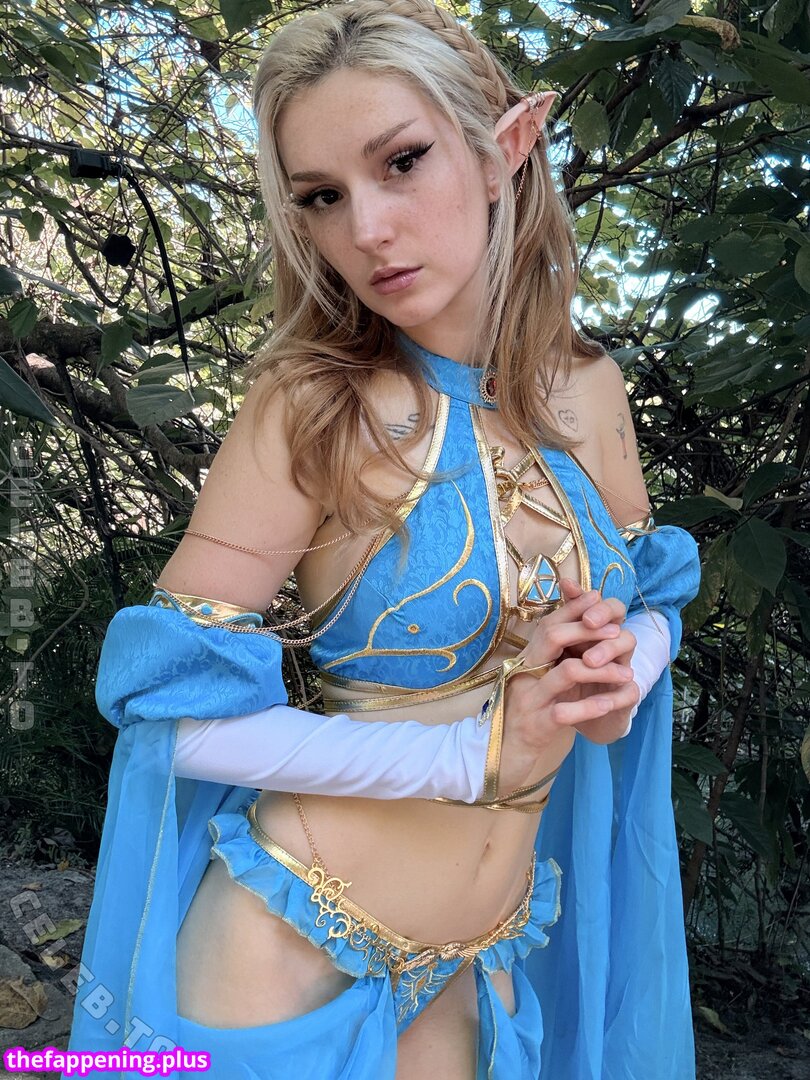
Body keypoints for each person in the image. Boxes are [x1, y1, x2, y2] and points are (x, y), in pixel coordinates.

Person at [62, 1, 701, 1077]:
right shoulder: (313, 406)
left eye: (402, 162)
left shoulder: (590, 385)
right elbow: (172, 715)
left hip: (485, 958)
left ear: (503, 150)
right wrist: (470, 754)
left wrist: (615, 668)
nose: (365, 229)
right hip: (285, 950)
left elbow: (654, 601)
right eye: (322, 196)